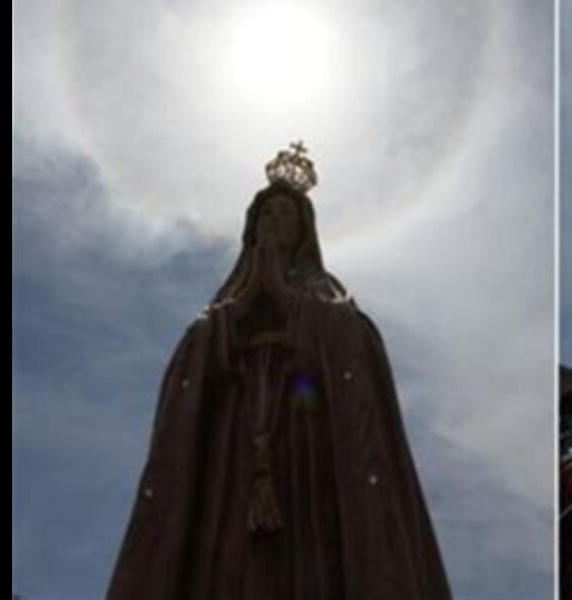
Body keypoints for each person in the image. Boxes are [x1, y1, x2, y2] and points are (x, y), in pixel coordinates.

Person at [109, 144, 451, 599]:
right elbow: (187, 375)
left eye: (285, 216)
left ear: (304, 231)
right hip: (232, 457)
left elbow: (358, 354)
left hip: (307, 453)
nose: (274, 223)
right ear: (251, 231)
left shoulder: (331, 303)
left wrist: (293, 306)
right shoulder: (221, 314)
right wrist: (238, 313)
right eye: (265, 216)